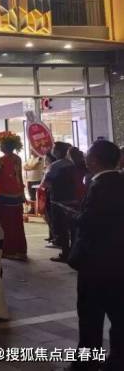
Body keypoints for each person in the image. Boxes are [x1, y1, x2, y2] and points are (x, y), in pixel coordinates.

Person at [71, 140, 124, 371]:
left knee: (90, 317)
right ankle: (118, 360)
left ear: (93, 161)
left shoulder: (99, 186)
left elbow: (90, 222)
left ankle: (87, 363)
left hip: (94, 264)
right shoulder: (120, 181)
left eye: (88, 156)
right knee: (119, 315)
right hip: (119, 262)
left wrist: (74, 216)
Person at [0, 132, 28, 261]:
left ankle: (9, 251)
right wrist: (22, 194)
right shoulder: (17, 158)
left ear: (5, 146)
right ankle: (20, 251)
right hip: (17, 195)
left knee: (6, 225)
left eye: (1, 145)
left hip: (5, 195)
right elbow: (19, 177)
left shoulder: (1, 160)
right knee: (18, 224)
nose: (0, 146)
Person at [42, 141, 76, 262]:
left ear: (57, 152)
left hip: (58, 199)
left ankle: (65, 253)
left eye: (54, 149)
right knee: (72, 227)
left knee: (61, 227)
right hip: (72, 199)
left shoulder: (54, 166)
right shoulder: (71, 163)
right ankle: (74, 252)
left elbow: (45, 184)